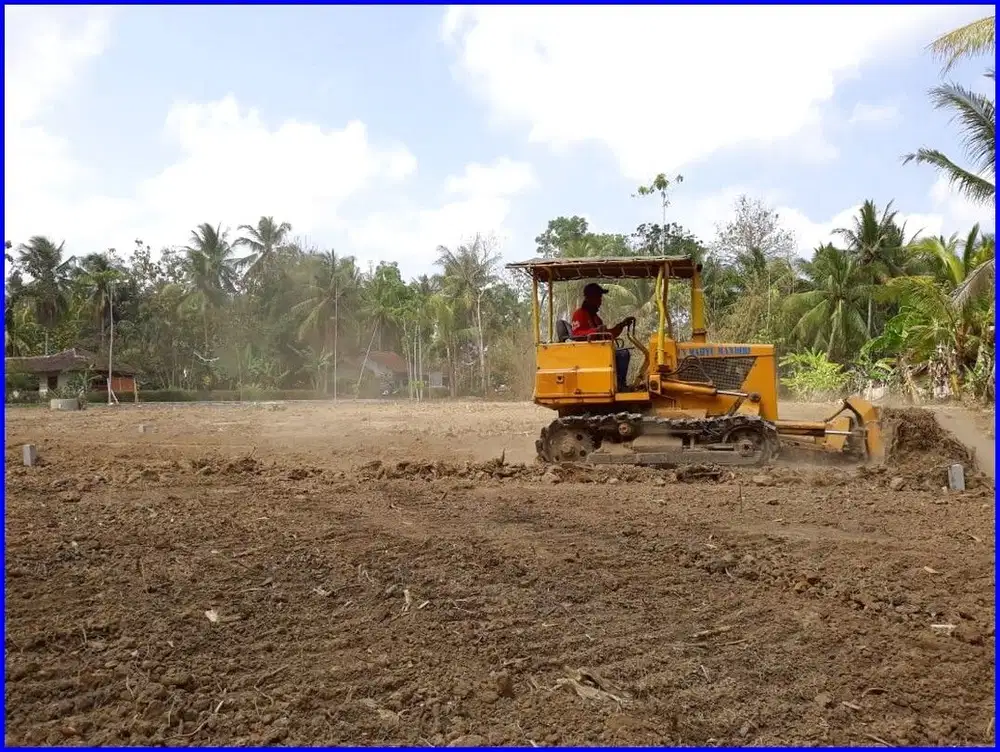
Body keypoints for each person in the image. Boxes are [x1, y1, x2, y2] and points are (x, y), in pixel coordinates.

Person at [570, 282, 636, 391]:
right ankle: (619, 385)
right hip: (587, 353)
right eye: (598, 297)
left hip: (599, 352)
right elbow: (576, 334)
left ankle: (618, 383)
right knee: (623, 354)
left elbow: (609, 335)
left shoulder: (596, 318)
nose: (600, 301)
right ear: (590, 298)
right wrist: (594, 331)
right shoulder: (579, 314)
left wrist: (621, 325)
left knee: (623, 352)